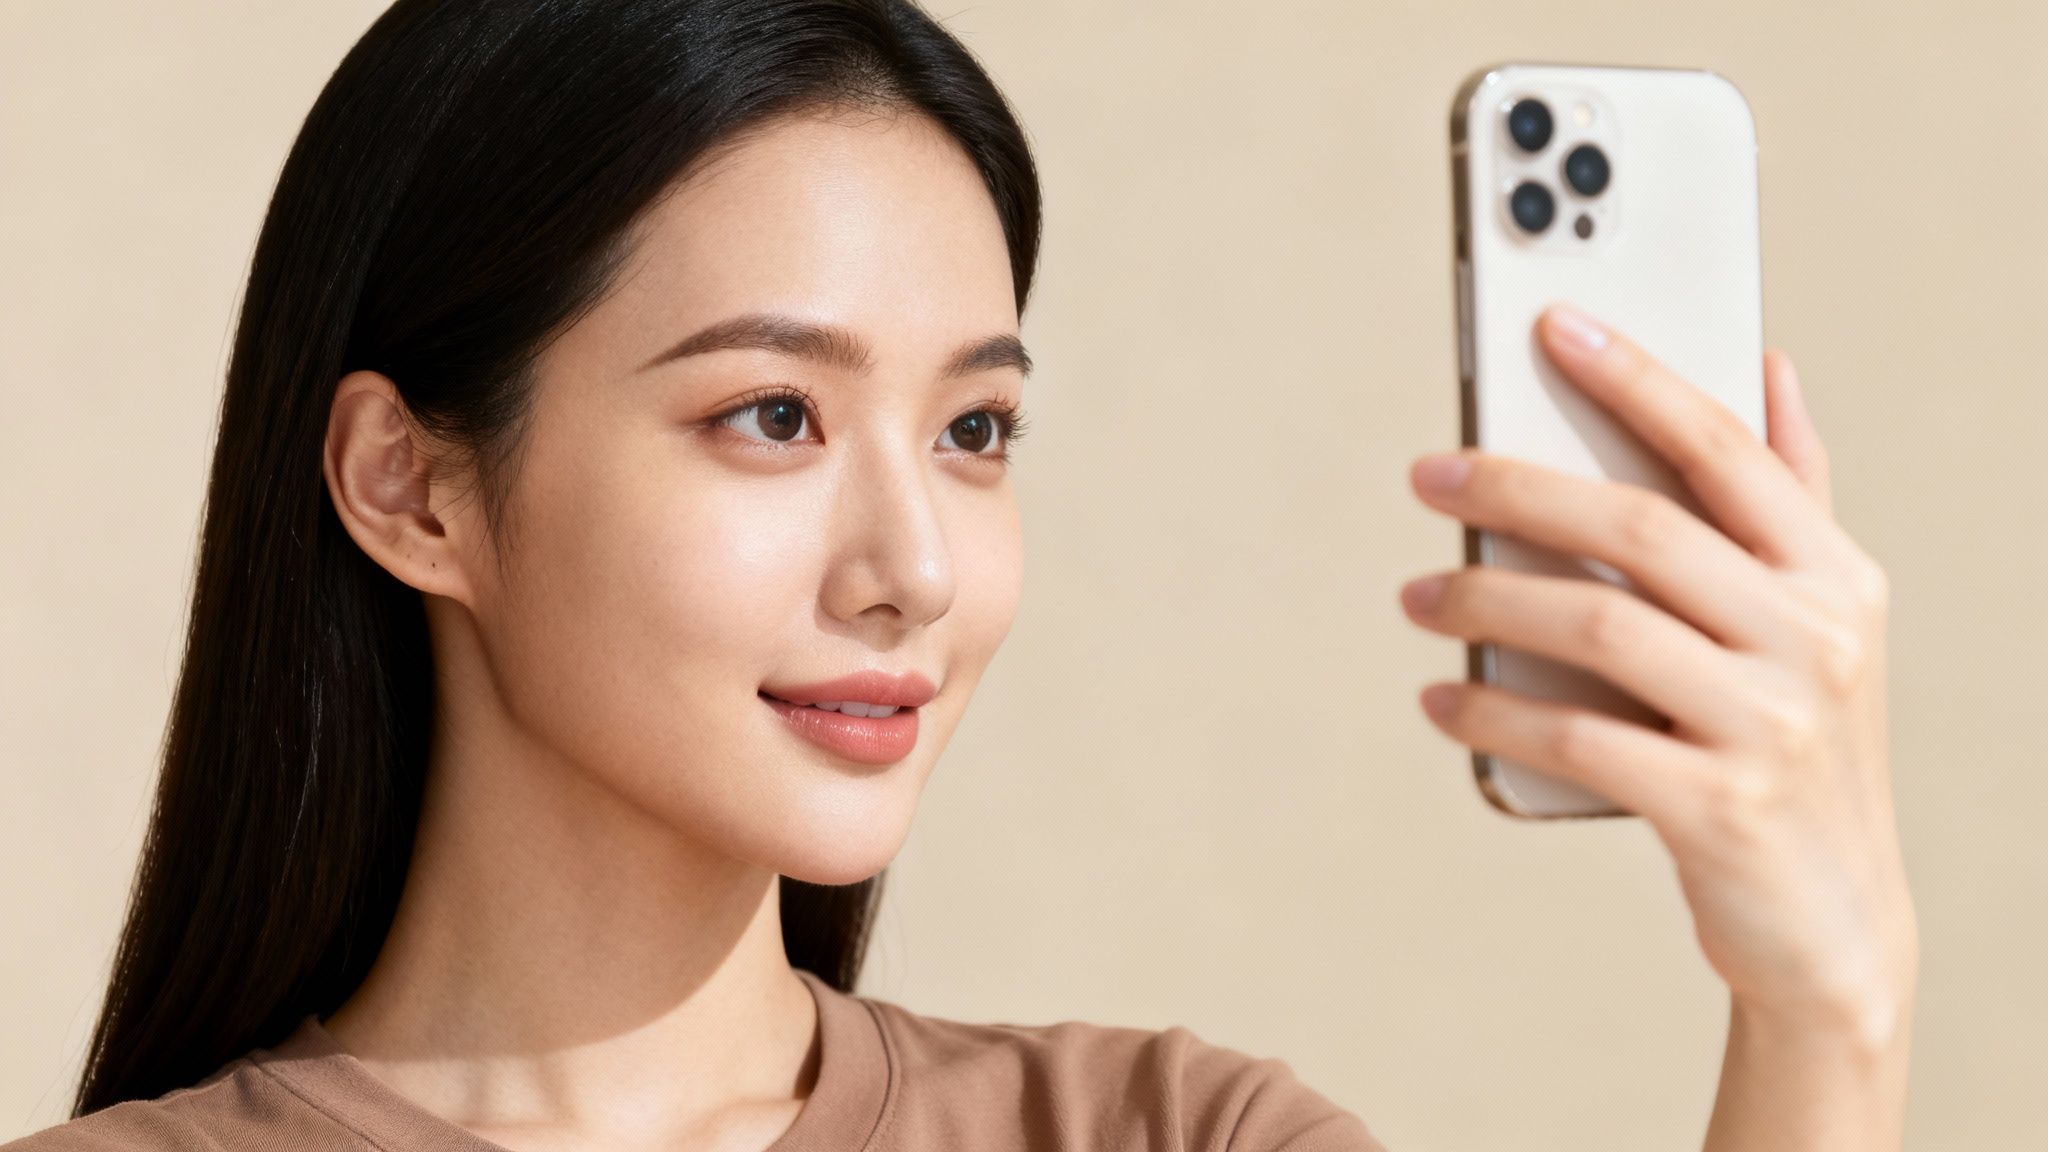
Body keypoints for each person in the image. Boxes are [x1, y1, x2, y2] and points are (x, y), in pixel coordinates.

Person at [4, 1, 1915, 1149]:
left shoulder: (1174, 1140)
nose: (915, 567)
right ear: (408, 487)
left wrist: (1824, 1016)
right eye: (772, 416)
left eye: (974, 432)